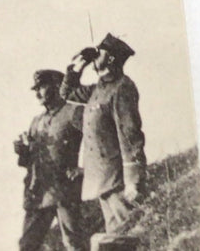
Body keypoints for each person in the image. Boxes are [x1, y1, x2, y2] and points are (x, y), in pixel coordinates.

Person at [62, 34, 146, 238]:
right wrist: (78, 66)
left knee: (127, 234)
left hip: (117, 179)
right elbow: (67, 93)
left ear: (110, 59)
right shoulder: (99, 88)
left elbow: (130, 135)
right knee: (116, 236)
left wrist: (132, 180)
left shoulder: (122, 87)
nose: (95, 58)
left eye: (99, 54)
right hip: (103, 178)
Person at [15, 69, 85, 251]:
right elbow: (27, 162)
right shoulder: (36, 121)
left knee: (73, 244)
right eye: (35, 89)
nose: (37, 93)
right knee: (27, 245)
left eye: (42, 87)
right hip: (39, 193)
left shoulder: (74, 112)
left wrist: (84, 169)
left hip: (66, 191)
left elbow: (100, 140)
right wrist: (22, 151)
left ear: (56, 87)